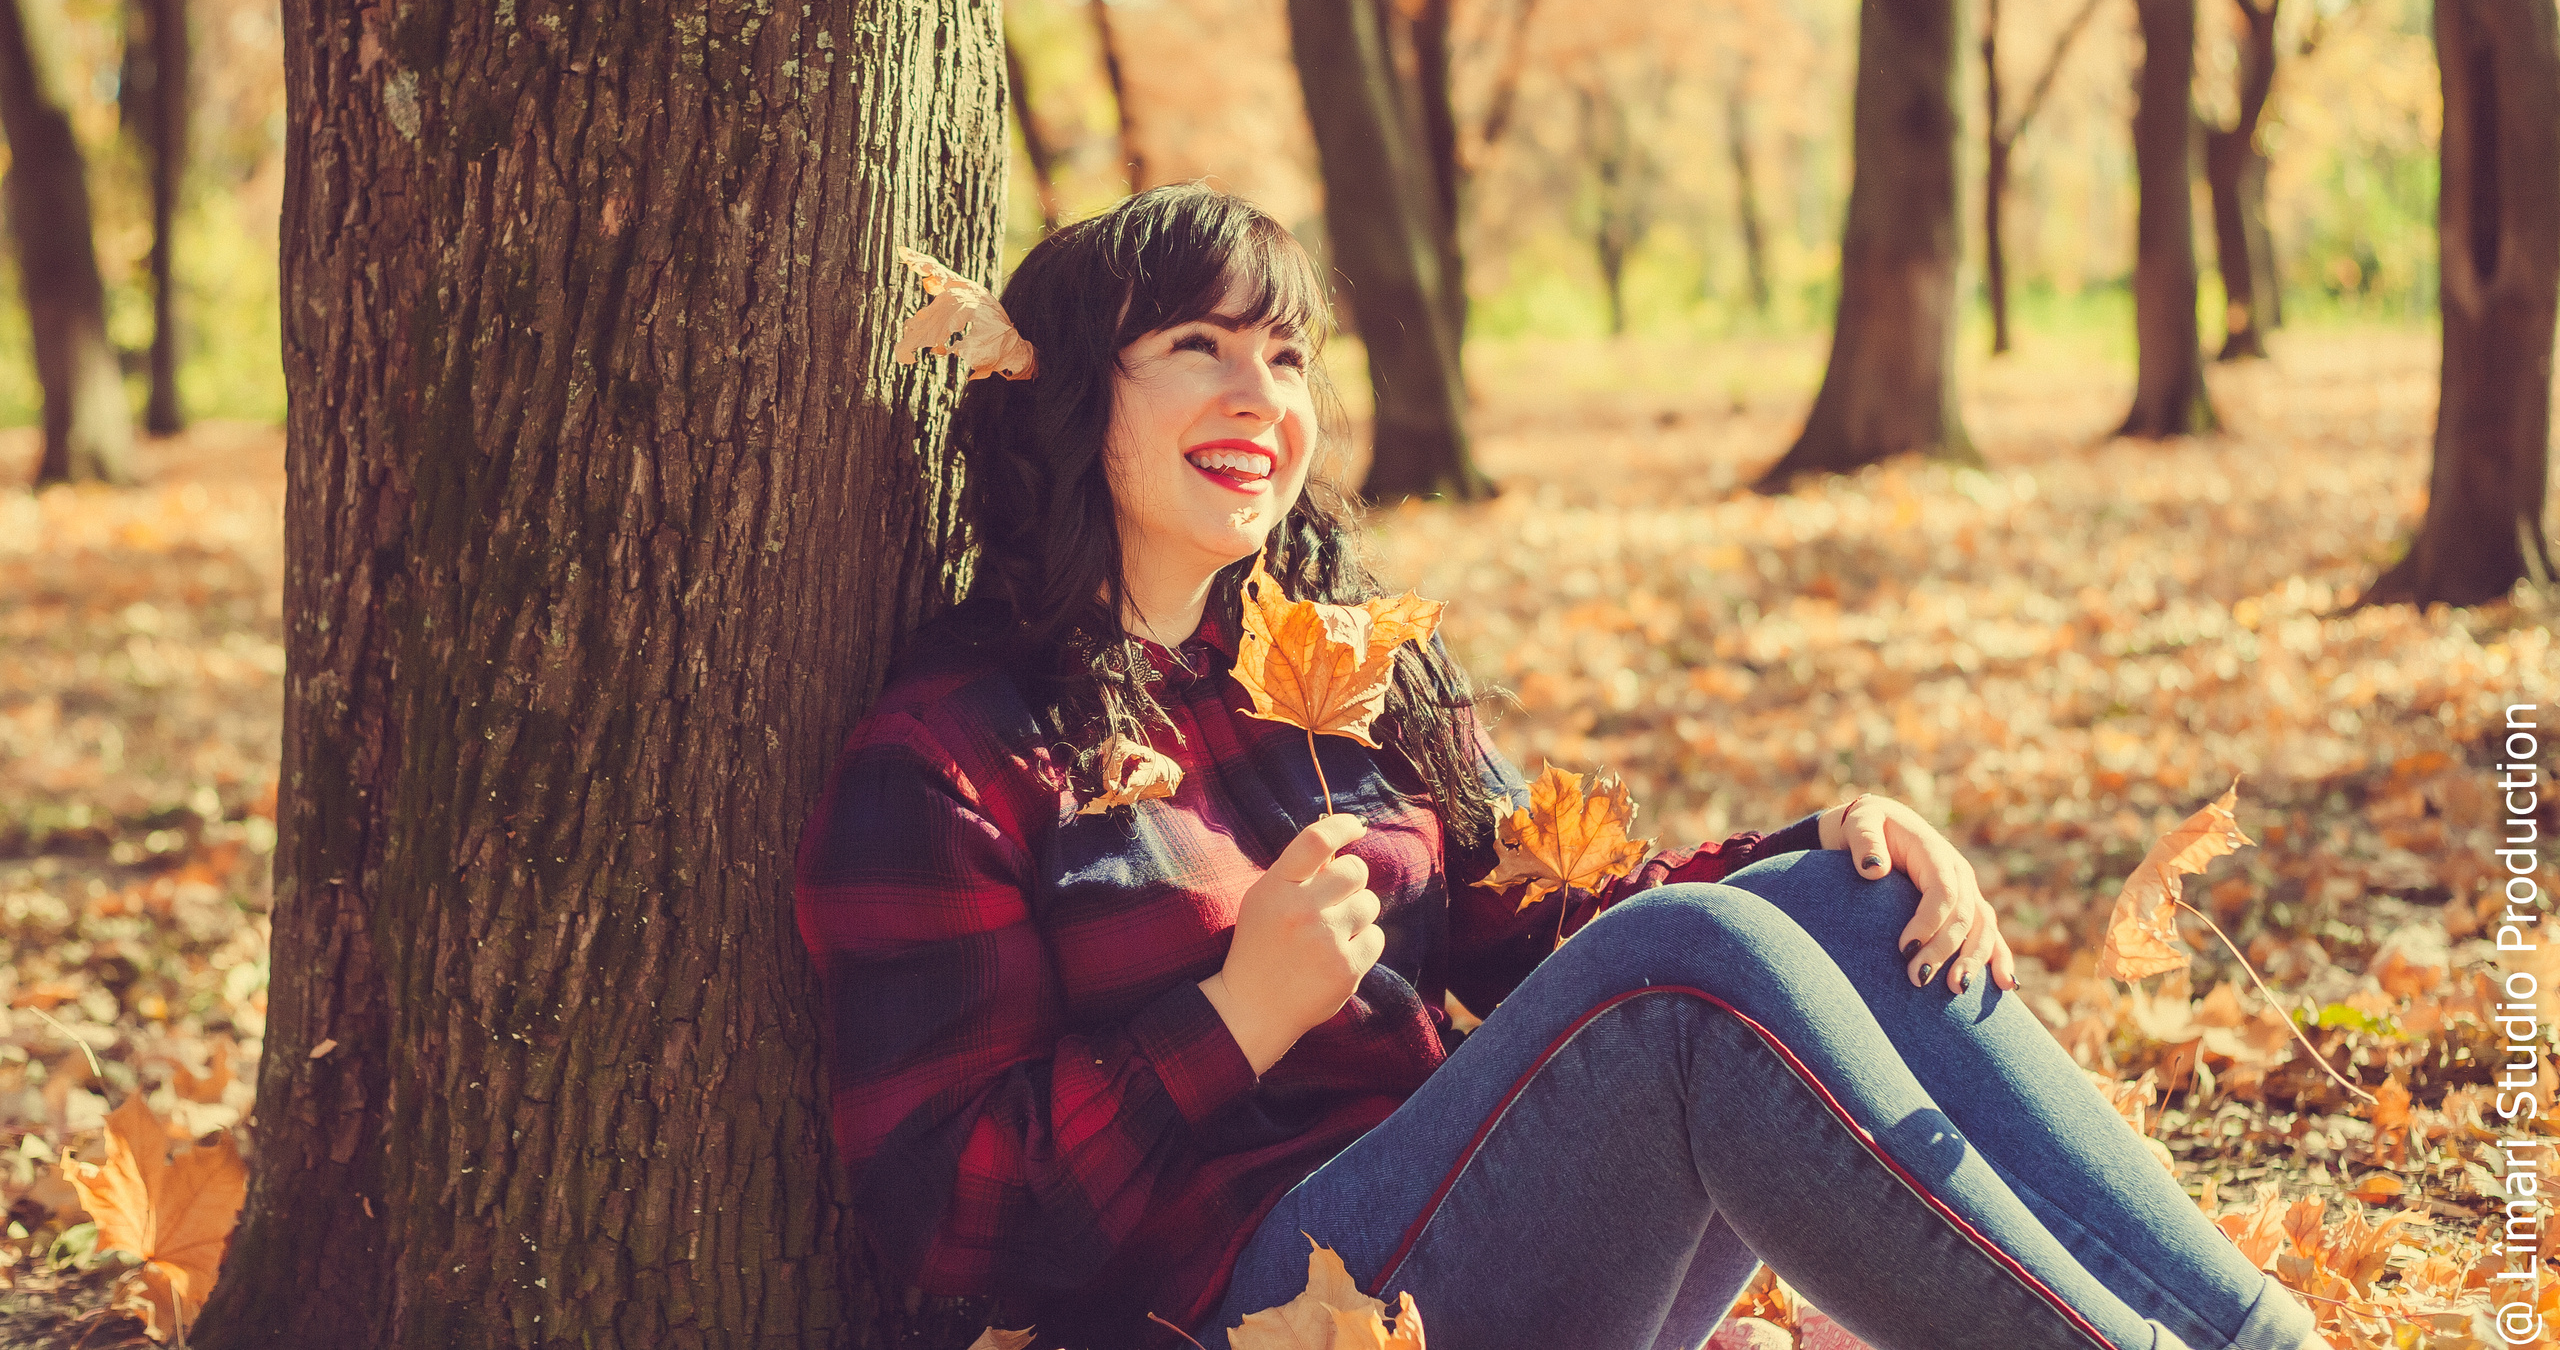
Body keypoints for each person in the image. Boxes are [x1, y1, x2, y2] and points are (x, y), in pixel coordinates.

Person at [793, 187, 2319, 1350]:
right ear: (1072, 396)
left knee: (1837, 903)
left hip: (1459, 1223)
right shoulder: (954, 751)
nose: (1260, 396)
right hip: (1238, 1307)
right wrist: (1231, 1020)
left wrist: (1823, 838)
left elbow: (1557, 928)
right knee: (1689, 967)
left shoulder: (1337, 667)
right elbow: (947, 1232)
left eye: (1284, 352)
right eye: (1196, 346)